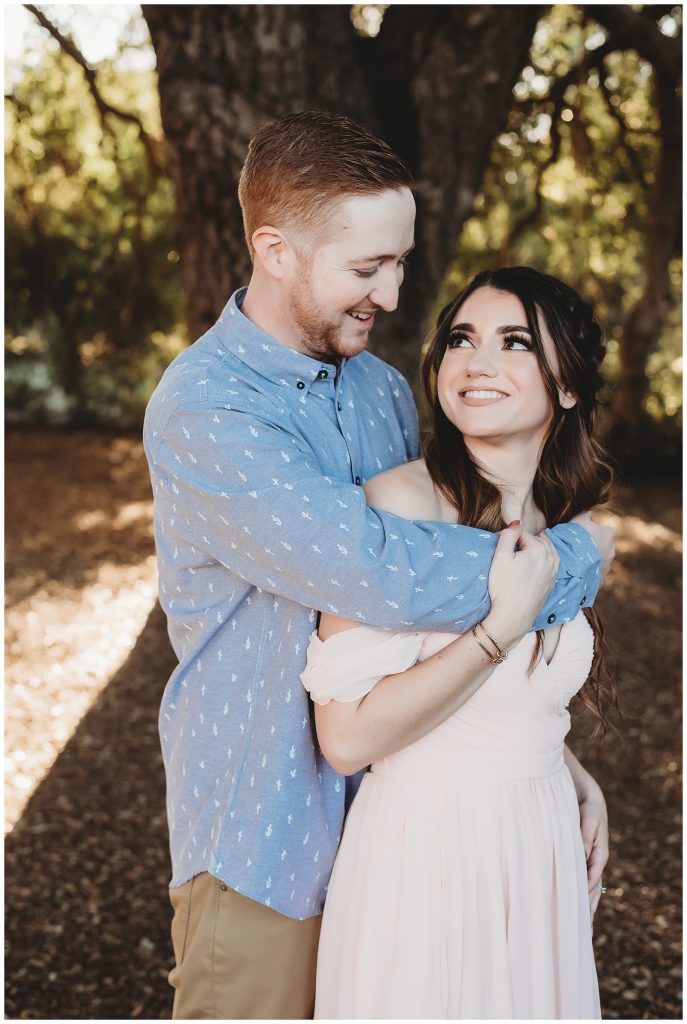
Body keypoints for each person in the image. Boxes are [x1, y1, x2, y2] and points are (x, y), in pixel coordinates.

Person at [143, 112, 613, 1019]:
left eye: (399, 263)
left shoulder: (378, 389)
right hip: (268, 834)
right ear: (275, 251)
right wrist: (577, 557)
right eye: (367, 268)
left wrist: (545, 754)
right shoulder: (208, 409)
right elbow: (381, 573)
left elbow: (427, 616)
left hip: (398, 824)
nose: (392, 296)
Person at [301, 266, 617, 1019]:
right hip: (428, 854)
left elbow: (506, 709)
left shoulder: (566, 529)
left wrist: (574, 774)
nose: (477, 362)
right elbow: (346, 738)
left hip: (539, 842)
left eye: (515, 342)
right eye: (461, 340)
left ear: (568, 385)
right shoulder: (397, 507)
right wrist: (498, 631)